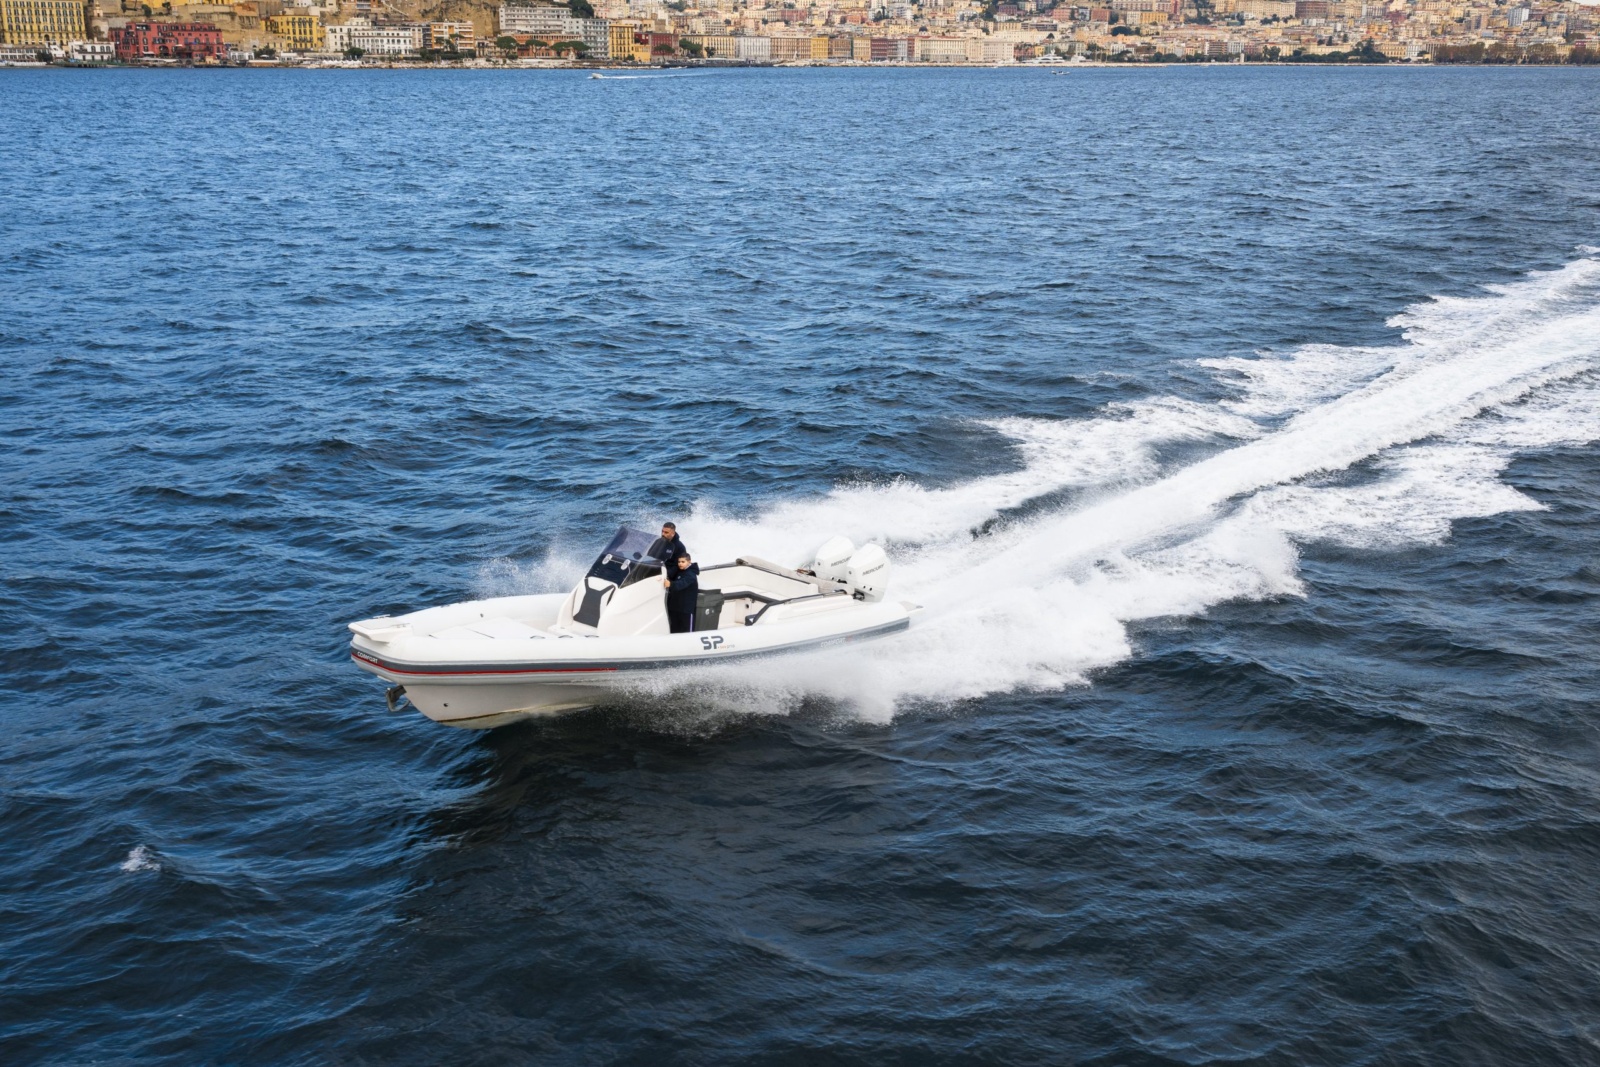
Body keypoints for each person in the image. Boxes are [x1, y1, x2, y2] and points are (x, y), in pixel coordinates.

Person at [663, 553, 699, 634]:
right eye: (679, 562)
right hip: (675, 608)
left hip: (686, 610)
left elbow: (681, 584)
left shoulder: (691, 574)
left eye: (683, 562)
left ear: (689, 562)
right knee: (674, 631)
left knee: (687, 633)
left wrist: (670, 584)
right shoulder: (679, 571)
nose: (680, 564)